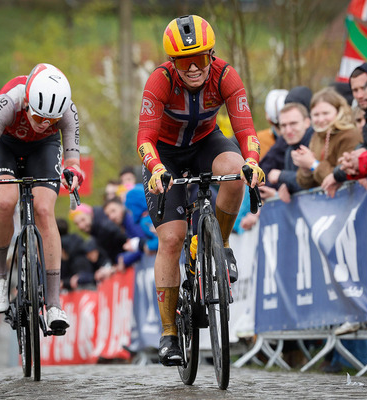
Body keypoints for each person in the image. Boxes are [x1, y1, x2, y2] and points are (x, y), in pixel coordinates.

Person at [136, 15, 265, 366]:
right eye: (183, 61)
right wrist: (157, 169)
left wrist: (252, 160)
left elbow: (245, 129)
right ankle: (169, 333)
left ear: (212, 54)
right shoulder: (159, 82)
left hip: (206, 143)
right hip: (165, 156)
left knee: (236, 171)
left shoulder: (226, 75)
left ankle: (220, 245)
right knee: (172, 239)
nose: (193, 68)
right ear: (171, 62)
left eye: (200, 59)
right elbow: (144, 139)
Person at [0, 63, 83, 331]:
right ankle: (0, 277)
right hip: (5, 146)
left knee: (44, 210)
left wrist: (73, 172)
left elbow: (73, 159)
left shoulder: (68, 111)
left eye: (50, 121)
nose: (43, 123)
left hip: (43, 149)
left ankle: (54, 303)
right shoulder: (10, 100)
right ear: (28, 103)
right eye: (37, 116)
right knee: (4, 201)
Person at [291, 88, 362, 190]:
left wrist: (312, 163)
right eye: (316, 115)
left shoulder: (350, 135)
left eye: (325, 113)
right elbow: (309, 185)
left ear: (338, 112)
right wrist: (305, 168)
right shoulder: (316, 136)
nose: (320, 119)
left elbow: (343, 178)